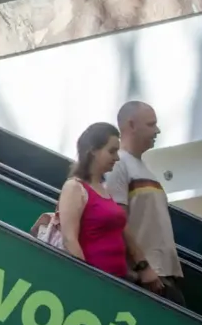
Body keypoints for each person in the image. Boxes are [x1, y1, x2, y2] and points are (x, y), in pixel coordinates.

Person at [57, 123, 160, 290]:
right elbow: (70, 239)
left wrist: (143, 266)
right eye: (111, 151)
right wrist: (87, 281)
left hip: (118, 279)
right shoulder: (75, 188)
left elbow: (124, 232)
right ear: (93, 151)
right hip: (97, 283)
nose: (117, 158)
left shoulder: (104, 189)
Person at [106, 101, 183, 305]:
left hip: (162, 275)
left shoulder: (143, 169)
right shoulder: (119, 164)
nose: (157, 130)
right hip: (147, 278)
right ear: (131, 125)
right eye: (151, 124)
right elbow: (117, 221)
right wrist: (142, 267)